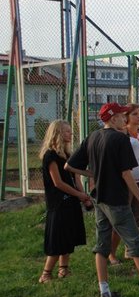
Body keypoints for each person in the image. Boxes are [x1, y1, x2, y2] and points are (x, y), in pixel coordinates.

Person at [66, 102, 139, 297]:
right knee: (135, 244)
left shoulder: (93, 137)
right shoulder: (120, 139)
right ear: (113, 119)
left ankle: (105, 292)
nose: (124, 118)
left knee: (102, 244)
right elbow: (126, 175)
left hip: (99, 197)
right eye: (120, 115)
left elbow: (70, 166)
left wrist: (95, 174)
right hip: (116, 199)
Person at [38, 120, 91, 284]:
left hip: (71, 202)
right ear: (58, 134)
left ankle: (64, 269)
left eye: (70, 131)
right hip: (58, 203)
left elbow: (76, 179)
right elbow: (58, 183)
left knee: (68, 236)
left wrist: (84, 197)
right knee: (57, 239)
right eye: (67, 132)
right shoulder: (50, 156)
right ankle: (46, 274)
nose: (71, 134)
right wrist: (78, 195)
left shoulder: (68, 156)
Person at [108, 103, 139, 266]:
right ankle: (111, 253)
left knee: (138, 216)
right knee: (122, 217)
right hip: (128, 181)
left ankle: (130, 249)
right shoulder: (122, 134)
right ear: (126, 117)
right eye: (135, 114)